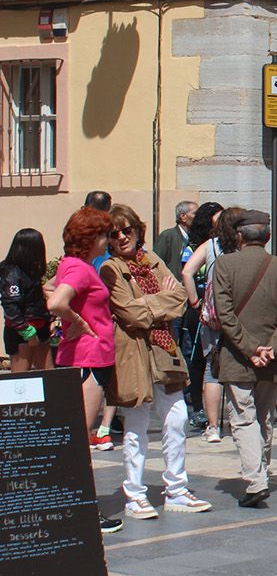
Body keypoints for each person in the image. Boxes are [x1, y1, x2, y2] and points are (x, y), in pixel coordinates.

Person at [99, 204, 206, 518]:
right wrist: (159, 301)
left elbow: (180, 300)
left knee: (177, 419)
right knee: (136, 424)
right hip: (133, 353)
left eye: (126, 230)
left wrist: (148, 304)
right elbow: (128, 313)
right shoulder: (111, 268)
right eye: (114, 233)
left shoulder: (152, 260)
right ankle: (134, 493)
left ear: (137, 229)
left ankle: (176, 488)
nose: (121, 237)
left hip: (163, 349)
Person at [211, 210, 277, 508]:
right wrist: (272, 348)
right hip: (271, 358)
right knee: (262, 417)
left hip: (238, 356)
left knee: (243, 418)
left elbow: (224, 314)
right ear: (268, 236)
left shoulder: (224, 264)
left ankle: (256, 479)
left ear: (239, 236)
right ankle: (261, 470)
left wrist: (250, 348)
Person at [48, 208, 125, 533]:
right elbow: (55, 302)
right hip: (88, 359)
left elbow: (48, 288)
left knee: (75, 436)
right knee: (79, 438)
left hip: (84, 357)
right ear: (92, 238)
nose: (109, 241)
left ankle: (73, 505)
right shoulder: (80, 269)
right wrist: (78, 323)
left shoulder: (70, 265)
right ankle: (80, 510)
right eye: (106, 234)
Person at [181, 206, 243, 444]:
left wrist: (195, 301)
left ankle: (213, 426)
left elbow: (187, 272)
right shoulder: (244, 247)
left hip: (213, 314)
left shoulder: (210, 245)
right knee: (239, 368)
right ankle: (239, 420)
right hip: (239, 315)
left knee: (212, 370)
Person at [178, 201, 223, 434]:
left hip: (216, 306)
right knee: (199, 359)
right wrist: (195, 301)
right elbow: (186, 271)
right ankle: (198, 406)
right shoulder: (198, 245)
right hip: (201, 308)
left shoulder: (223, 244)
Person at [2, 228, 49, 373]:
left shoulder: (30, 270)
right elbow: (11, 307)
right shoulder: (12, 273)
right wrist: (28, 332)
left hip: (40, 328)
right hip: (22, 333)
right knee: (20, 381)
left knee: (50, 377)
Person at [153, 199, 197, 268]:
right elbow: (156, 263)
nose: (199, 217)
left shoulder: (195, 237)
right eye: (195, 213)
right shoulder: (167, 236)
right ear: (183, 217)